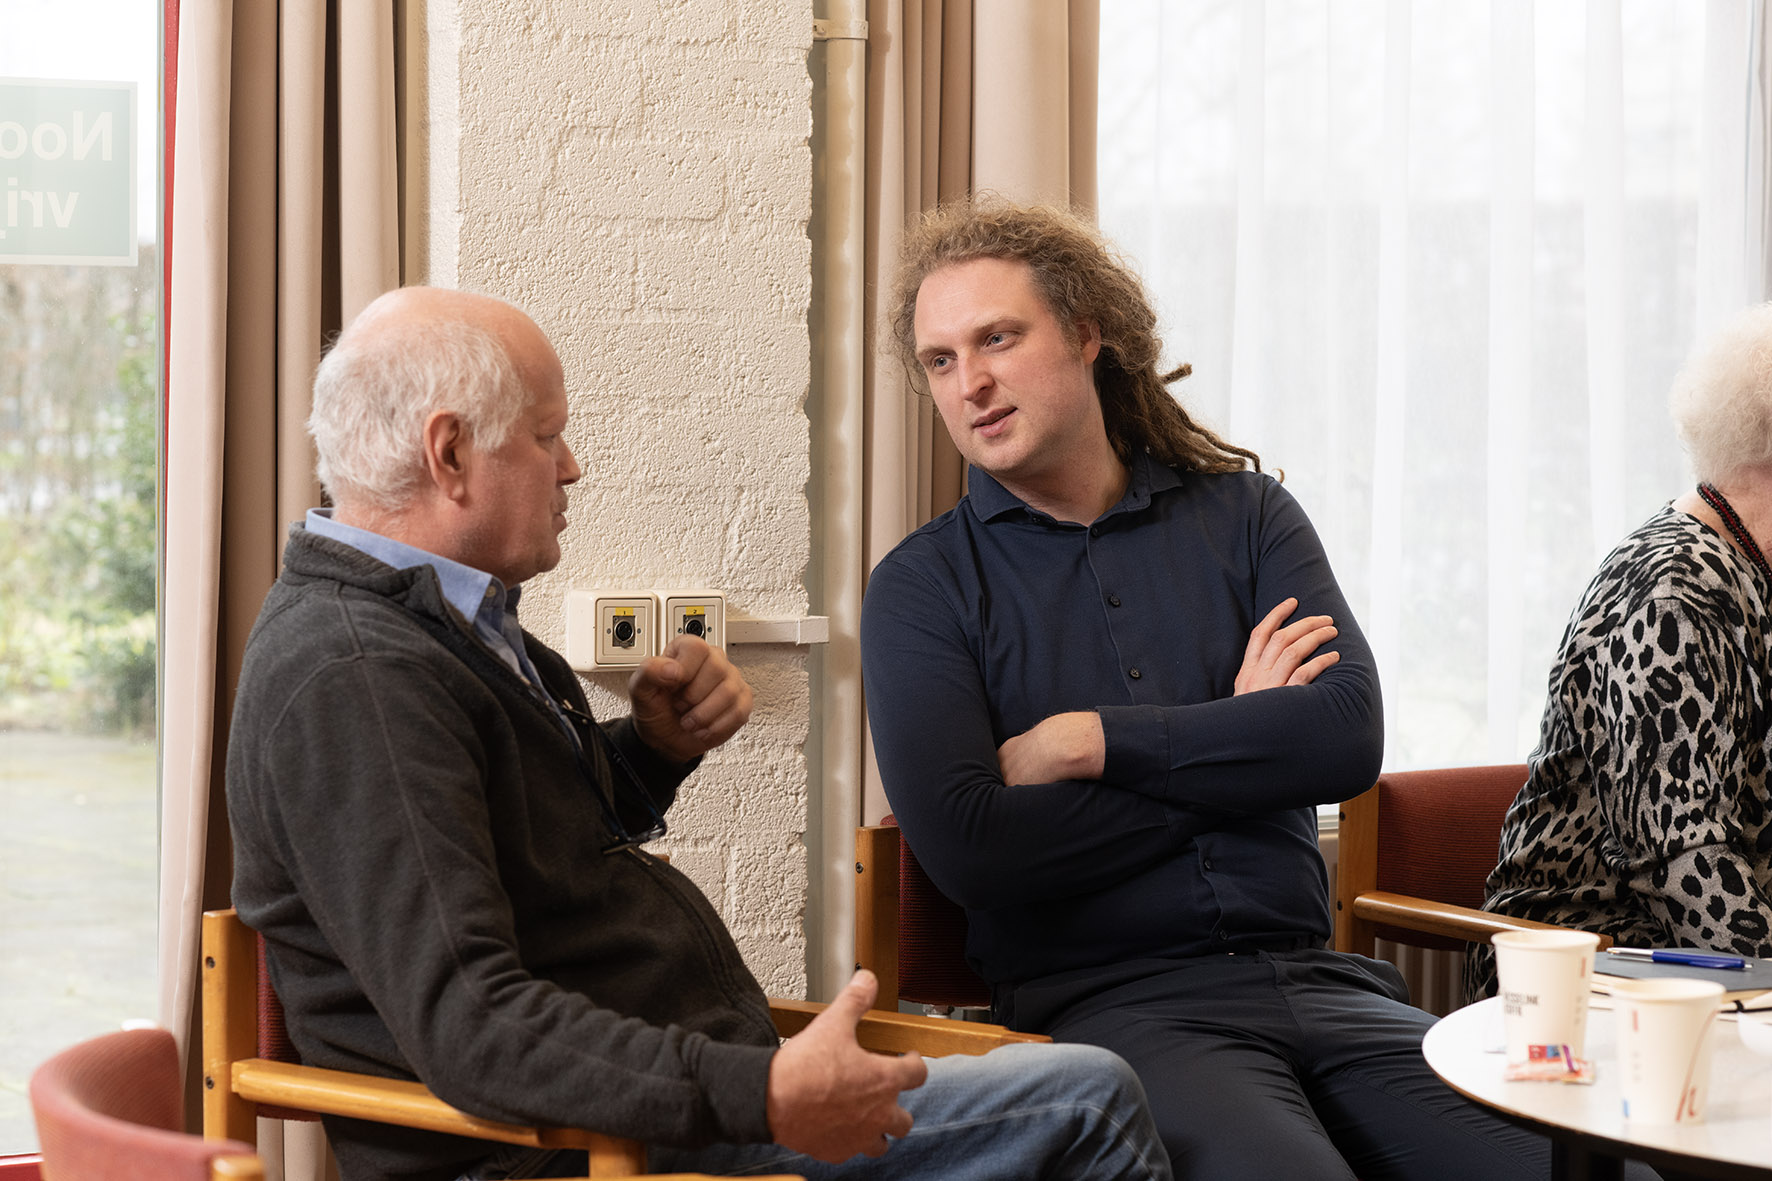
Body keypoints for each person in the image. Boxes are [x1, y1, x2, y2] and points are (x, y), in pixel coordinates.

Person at [225, 286, 1172, 1181]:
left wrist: (654, 749)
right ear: (449, 453)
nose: (571, 467)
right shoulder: (357, 673)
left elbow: (542, 851)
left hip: (663, 1106)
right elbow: (471, 1021)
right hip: (579, 1151)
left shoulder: (444, 626)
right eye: (548, 435)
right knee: (1089, 1097)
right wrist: (759, 1090)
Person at [859, 199, 1560, 1180]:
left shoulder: (1246, 515)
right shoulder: (920, 587)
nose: (968, 381)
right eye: (939, 359)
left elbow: (1345, 738)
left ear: (1085, 333)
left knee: (1595, 1167)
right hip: (1112, 1012)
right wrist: (1239, 743)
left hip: (1327, 986)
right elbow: (978, 850)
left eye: (997, 338)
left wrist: (1093, 742)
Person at [1471, 302, 1772, 998]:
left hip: (1698, 974)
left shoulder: (1749, 570)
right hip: (1581, 969)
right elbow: (1678, 860)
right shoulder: (1673, 595)